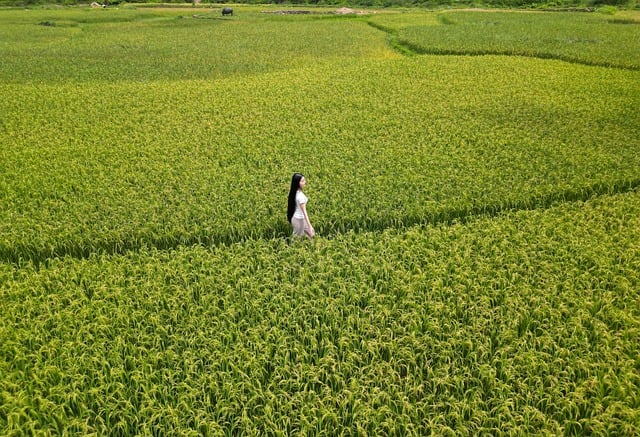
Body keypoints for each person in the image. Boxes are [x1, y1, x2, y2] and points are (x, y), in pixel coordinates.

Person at [287, 173, 315, 238]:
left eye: (304, 180)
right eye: (302, 181)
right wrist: (309, 225)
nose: (305, 182)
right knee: (296, 239)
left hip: (296, 219)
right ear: (297, 183)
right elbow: (304, 212)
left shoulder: (295, 192)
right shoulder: (300, 196)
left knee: (311, 235)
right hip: (299, 220)